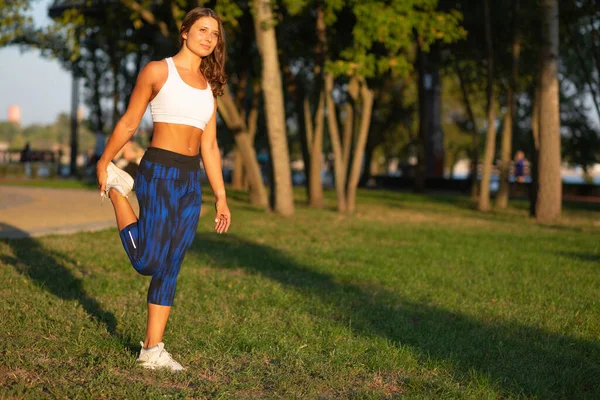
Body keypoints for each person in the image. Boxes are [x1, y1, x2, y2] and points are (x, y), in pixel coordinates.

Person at [96, 7, 231, 371]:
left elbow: (210, 146)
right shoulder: (159, 71)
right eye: (201, 30)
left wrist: (220, 196)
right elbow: (129, 121)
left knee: (170, 265)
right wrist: (104, 161)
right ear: (184, 31)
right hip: (158, 172)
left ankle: (152, 350)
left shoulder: (209, 87)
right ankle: (117, 192)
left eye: (214, 34)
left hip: (190, 181)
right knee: (147, 261)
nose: (208, 38)